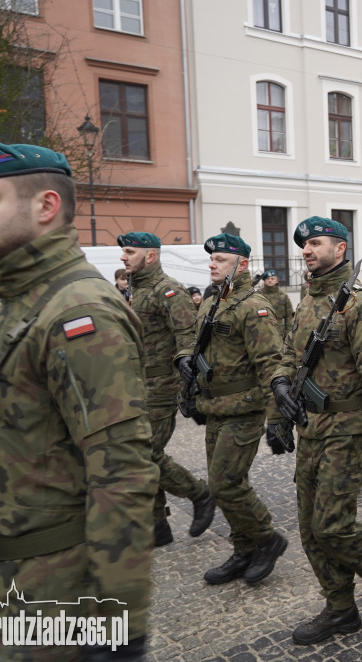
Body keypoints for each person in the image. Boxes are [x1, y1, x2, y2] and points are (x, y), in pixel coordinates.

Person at [0, 142, 156, 658]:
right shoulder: (20, 301)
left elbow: (122, 473)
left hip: (50, 593)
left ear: (45, 206)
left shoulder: (78, 312)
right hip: (2, 579)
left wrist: (118, 627)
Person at [271, 217, 362, 646]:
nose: (307, 251)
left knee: (332, 524)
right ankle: (340, 609)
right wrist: (279, 387)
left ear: (341, 249)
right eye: (304, 245)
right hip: (311, 427)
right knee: (311, 528)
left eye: (316, 243)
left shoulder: (360, 304)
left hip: (347, 430)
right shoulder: (307, 301)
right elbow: (289, 357)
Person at [176, 233, 289, 586]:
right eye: (211, 259)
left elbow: (272, 364)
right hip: (215, 407)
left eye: (220, 259)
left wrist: (277, 418)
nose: (212, 263)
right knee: (226, 482)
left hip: (244, 407)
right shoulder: (212, 303)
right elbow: (196, 345)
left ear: (242, 265)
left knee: (224, 485)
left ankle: (268, 538)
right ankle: (244, 550)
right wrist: (184, 363)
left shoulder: (253, 307)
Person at [118, 231, 216, 548]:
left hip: (161, 387)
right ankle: (157, 524)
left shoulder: (168, 290)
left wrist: (187, 385)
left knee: (144, 453)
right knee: (143, 453)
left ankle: (199, 493)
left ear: (150, 256)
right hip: (137, 386)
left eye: (130, 252)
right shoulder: (137, 290)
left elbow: (188, 337)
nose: (123, 257)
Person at [259, 267, 295, 340]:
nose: (270, 281)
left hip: (279, 330)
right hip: (263, 329)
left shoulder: (283, 295)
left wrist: (288, 333)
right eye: (267, 279)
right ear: (264, 281)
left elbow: (289, 316)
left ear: (276, 280)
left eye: (272, 279)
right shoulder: (259, 295)